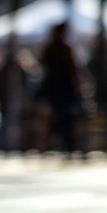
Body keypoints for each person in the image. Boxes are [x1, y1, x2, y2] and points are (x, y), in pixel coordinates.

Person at [38, 22, 83, 155]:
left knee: (61, 115)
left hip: (58, 87)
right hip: (59, 87)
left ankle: (60, 142)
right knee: (60, 115)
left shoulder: (58, 48)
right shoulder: (58, 48)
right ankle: (60, 142)